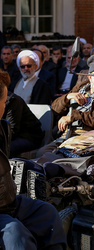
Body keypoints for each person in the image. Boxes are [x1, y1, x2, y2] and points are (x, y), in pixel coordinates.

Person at [0, 77, 66, 249]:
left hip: (8, 202)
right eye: (3, 100)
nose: (5, 104)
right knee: (15, 233)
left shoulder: (2, 127)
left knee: (47, 213)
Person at [53, 55, 94, 138]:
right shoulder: (81, 87)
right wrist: (68, 97)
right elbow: (55, 108)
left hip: (87, 135)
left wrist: (73, 117)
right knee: (44, 151)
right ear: (90, 77)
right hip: (65, 132)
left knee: (63, 150)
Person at [1, 69, 44, 158]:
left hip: (28, 136)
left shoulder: (12, 101)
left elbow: (12, 130)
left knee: (5, 149)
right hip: (10, 134)